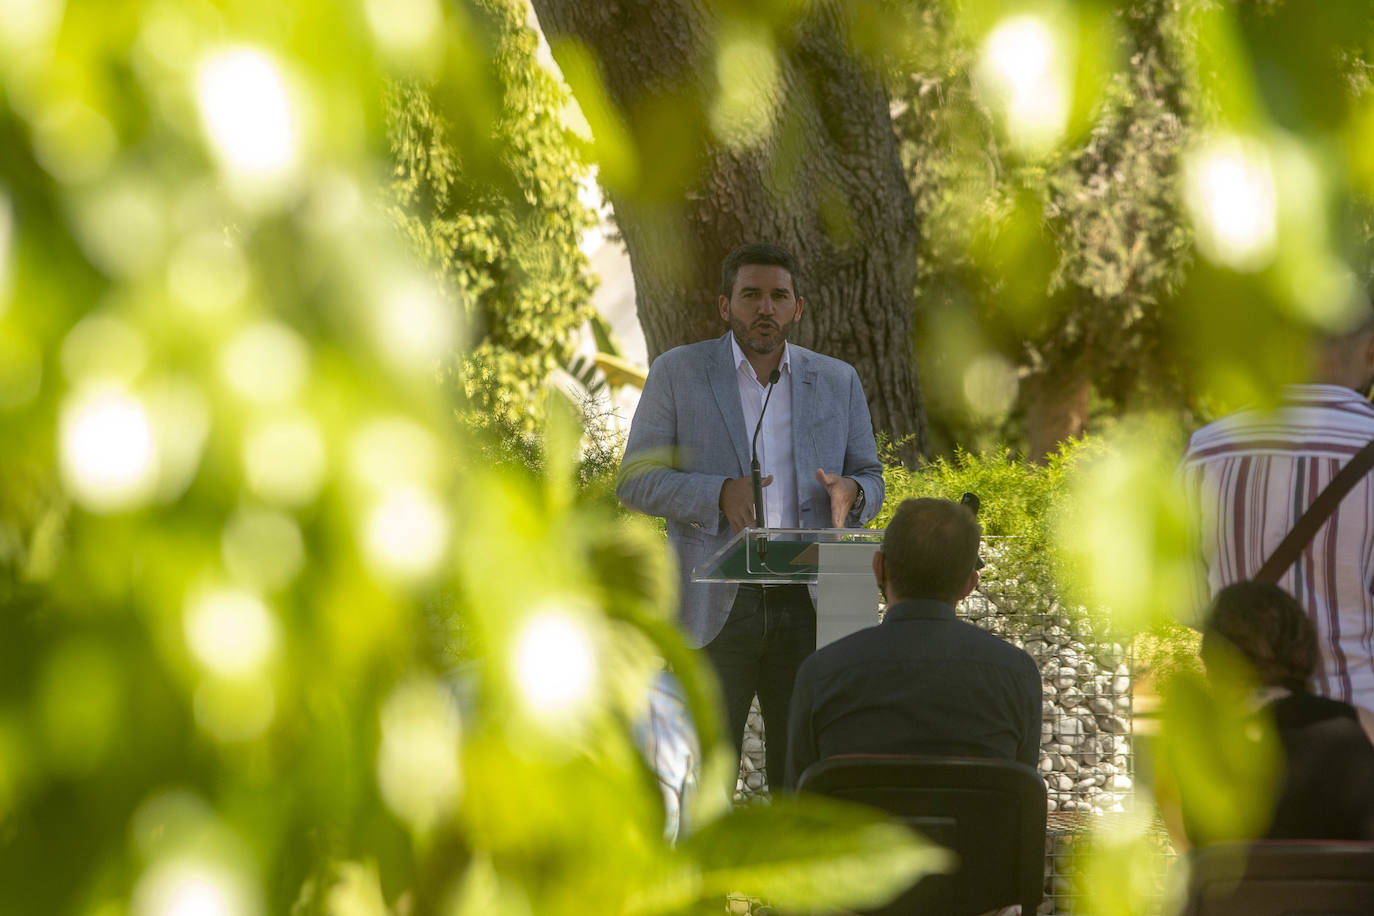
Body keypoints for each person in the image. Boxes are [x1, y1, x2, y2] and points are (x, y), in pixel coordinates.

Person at [616, 242, 885, 787]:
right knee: (703, 780)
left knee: (804, 777)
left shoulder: (838, 380)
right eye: (751, 296)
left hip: (810, 603)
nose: (765, 309)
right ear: (725, 306)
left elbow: (872, 476)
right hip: (717, 606)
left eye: (778, 297)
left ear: (798, 308)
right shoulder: (678, 373)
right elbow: (634, 481)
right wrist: (716, 494)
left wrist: (851, 493)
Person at [1178, 316, 1374, 731]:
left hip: (1247, 738)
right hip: (1360, 732)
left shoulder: (1205, 452)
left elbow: (1188, 603)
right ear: (1371, 350)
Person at [784, 497, 1042, 789]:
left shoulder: (821, 674)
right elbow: (1019, 796)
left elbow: (798, 806)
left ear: (879, 568)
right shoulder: (1017, 675)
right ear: (970, 585)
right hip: (971, 837)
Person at [1171, 581, 1374, 845]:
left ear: (1214, 658)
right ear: (1301, 642)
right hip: (1341, 887)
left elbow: (1197, 856)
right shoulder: (1358, 727)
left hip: (1243, 888)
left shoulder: (1200, 750)